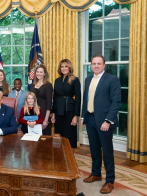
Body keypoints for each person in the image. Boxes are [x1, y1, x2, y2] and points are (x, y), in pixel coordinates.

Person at [81, 54, 121, 194]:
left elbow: (116, 102)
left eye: (99, 63)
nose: (96, 66)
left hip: (104, 122)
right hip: (90, 119)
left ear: (104, 65)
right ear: (91, 65)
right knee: (94, 150)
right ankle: (96, 173)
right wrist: (83, 117)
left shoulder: (112, 79)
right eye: (94, 63)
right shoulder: (87, 79)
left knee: (107, 152)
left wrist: (108, 121)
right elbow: (86, 99)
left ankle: (110, 180)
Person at [51, 59, 81, 153]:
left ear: (70, 67)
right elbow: (55, 98)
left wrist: (76, 116)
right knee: (59, 135)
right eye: (62, 66)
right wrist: (53, 114)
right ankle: (61, 157)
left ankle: (70, 158)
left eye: (66, 66)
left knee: (70, 135)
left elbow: (78, 98)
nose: (64, 68)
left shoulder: (75, 79)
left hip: (70, 111)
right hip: (59, 110)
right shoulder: (57, 80)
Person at [30, 64, 53, 135]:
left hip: (43, 114)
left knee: (44, 137)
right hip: (33, 114)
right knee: (33, 137)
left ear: (44, 73)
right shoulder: (32, 85)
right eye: (37, 71)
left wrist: (46, 120)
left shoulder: (48, 85)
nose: (39, 74)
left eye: (41, 72)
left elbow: (49, 104)